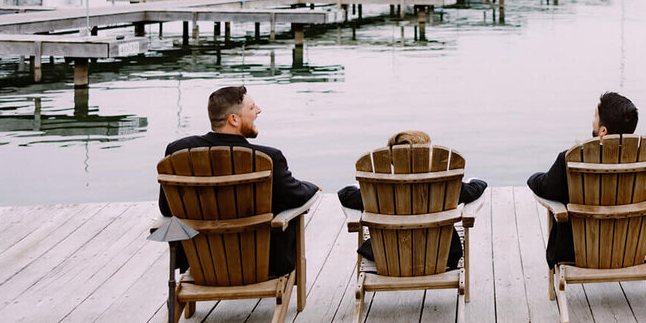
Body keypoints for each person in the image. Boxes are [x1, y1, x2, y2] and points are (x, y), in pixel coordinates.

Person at [159, 85, 319, 277]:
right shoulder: (266, 158)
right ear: (233, 119)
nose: (259, 111)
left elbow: (167, 208)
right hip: (263, 264)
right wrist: (312, 187)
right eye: (252, 108)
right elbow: (295, 196)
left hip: (200, 263)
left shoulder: (178, 153)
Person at [527, 91, 646, 268]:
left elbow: (546, 188)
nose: (592, 120)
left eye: (595, 116)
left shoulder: (570, 159)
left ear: (603, 131)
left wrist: (532, 178)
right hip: (634, 250)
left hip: (576, 252)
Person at [337, 130, 487, 270]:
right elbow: (475, 189)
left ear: (391, 158)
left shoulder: (378, 192)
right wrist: (474, 179)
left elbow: (345, 194)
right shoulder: (444, 187)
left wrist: (360, 185)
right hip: (441, 254)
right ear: (426, 155)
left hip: (390, 255)